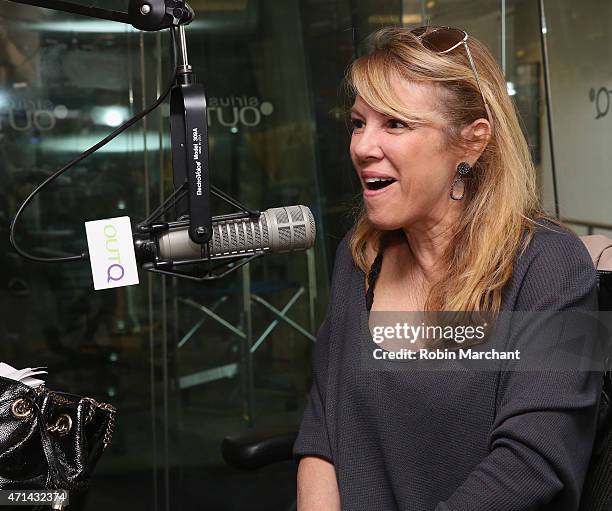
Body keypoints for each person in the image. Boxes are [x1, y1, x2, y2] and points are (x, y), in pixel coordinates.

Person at [293, 26, 602, 510]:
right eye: (358, 123)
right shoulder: (360, 257)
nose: (361, 146)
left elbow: (535, 463)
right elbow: (323, 428)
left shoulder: (552, 266)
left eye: (395, 124)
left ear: (472, 142)